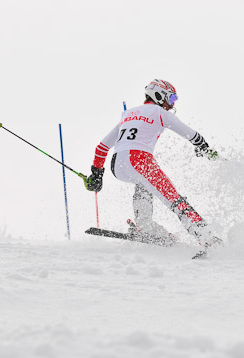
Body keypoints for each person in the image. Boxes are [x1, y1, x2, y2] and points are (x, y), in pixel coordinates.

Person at [85, 79, 220, 249]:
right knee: (174, 199)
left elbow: (102, 147)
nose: (171, 106)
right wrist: (203, 146)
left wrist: (96, 174)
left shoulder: (128, 113)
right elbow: (189, 133)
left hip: (117, 165)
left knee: (143, 183)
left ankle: (144, 226)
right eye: (171, 100)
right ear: (159, 95)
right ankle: (207, 238)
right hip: (138, 159)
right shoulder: (160, 112)